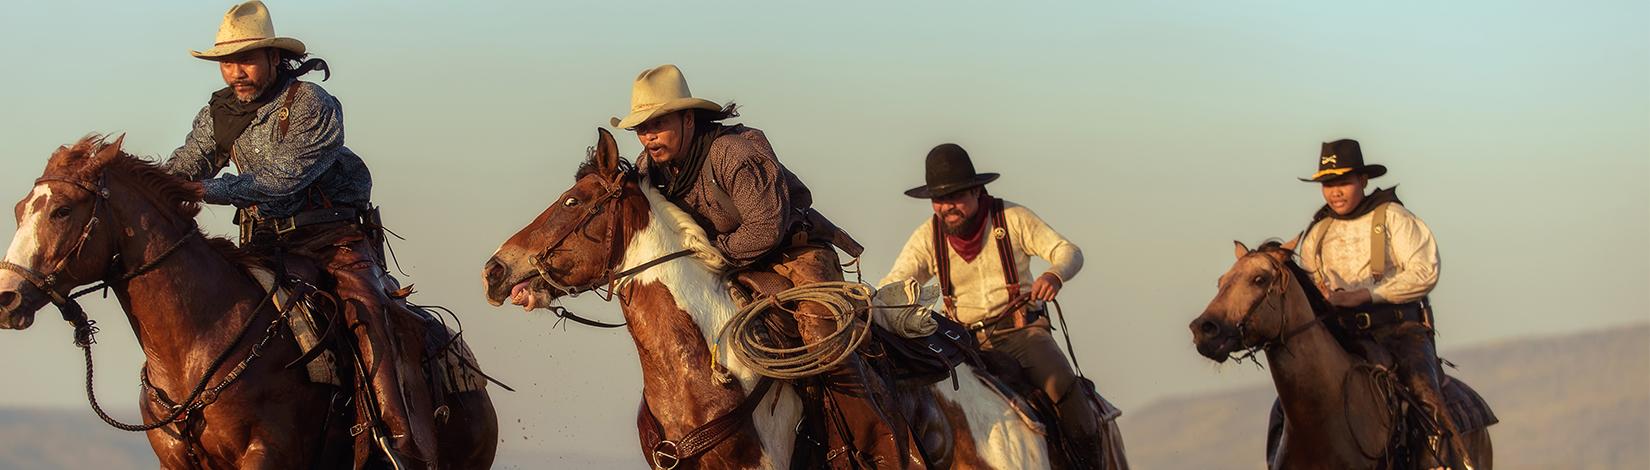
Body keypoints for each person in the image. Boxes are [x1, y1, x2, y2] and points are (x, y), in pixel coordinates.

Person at [162, 2, 437, 466]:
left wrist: (207, 189)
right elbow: (186, 165)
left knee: (367, 315)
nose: (236, 72)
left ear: (274, 58)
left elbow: (283, 176)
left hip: (331, 243)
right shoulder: (218, 114)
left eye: (247, 59)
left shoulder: (310, 103)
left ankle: (398, 442)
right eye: (228, 62)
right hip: (262, 247)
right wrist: (155, 190)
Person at [613, 64, 924, 469]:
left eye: (659, 123)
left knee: (820, 328)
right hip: (726, 265)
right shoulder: (648, 169)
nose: (649, 135)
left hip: (795, 255)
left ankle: (875, 450)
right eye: (642, 127)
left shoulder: (735, 153)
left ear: (688, 119)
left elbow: (764, 227)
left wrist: (712, 256)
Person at [880, 144, 1110, 469]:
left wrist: (1055, 275)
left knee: (1064, 388)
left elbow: (1067, 250)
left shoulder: (1012, 219)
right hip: (960, 343)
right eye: (939, 199)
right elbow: (895, 285)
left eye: (956, 196)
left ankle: (1091, 462)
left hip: (1022, 334)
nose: (947, 207)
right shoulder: (927, 237)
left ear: (977, 190)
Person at [1296, 139, 1472, 470]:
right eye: (1328, 185)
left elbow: (1425, 272)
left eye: (1343, 182)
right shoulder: (1318, 232)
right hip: (1341, 337)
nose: (1335, 192)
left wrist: (1365, 295)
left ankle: (1442, 465)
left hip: (1399, 330)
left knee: (1425, 396)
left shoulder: (1394, 218)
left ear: (1363, 180)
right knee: (1290, 403)